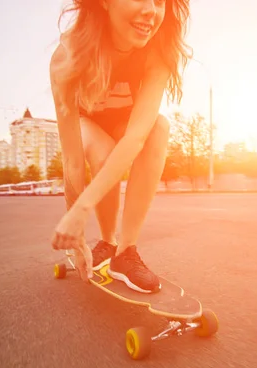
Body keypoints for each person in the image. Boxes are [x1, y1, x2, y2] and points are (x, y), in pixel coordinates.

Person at [49, 0, 191, 293]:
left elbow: (136, 137)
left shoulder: (158, 50)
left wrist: (85, 206)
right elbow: (73, 160)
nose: (152, 11)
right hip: (86, 120)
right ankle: (107, 241)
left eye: (161, 2)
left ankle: (124, 253)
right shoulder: (68, 55)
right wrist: (74, 223)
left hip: (124, 122)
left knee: (158, 128)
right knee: (101, 152)